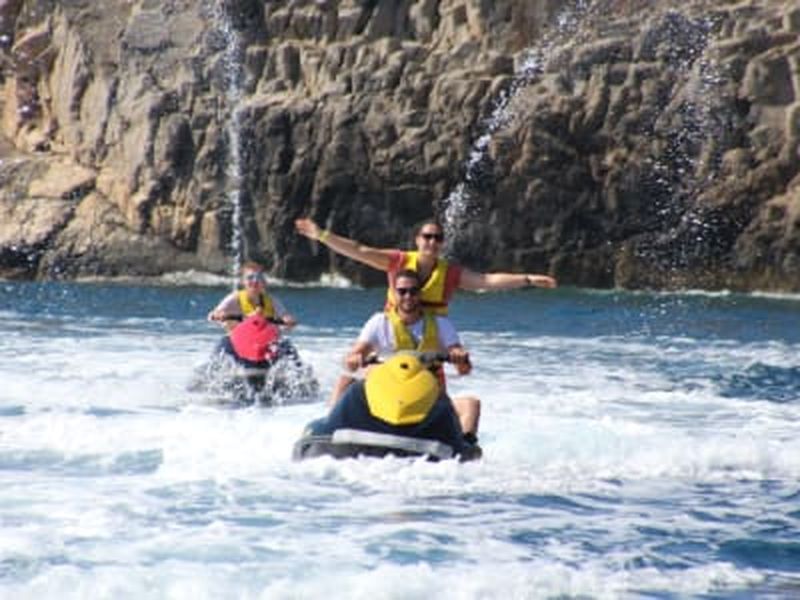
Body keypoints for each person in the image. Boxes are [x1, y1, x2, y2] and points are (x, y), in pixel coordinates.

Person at [295, 217, 557, 315]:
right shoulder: (397, 261)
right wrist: (321, 235)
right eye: (427, 237)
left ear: (442, 243)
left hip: (429, 340)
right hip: (394, 332)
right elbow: (359, 250)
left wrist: (528, 279)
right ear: (418, 240)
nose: (432, 241)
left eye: (438, 238)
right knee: (349, 375)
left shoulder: (450, 273)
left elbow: (486, 281)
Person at [333, 269, 481, 439]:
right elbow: (354, 355)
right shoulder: (380, 322)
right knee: (346, 381)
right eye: (402, 291)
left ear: (420, 293)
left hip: (427, 402)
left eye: (413, 291)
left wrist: (460, 358)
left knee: (471, 404)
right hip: (384, 397)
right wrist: (354, 359)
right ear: (393, 293)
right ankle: (330, 429)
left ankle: (465, 446)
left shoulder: (441, 325)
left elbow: (463, 368)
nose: (408, 296)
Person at [207, 261, 297, 332]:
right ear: (243, 281)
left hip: (265, 341)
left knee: (286, 347)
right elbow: (214, 314)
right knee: (223, 345)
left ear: (264, 282)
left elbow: (284, 315)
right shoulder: (234, 298)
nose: (255, 281)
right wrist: (218, 315)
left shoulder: (272, 301)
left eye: (259, 278)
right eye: (250, 278)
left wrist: (288, 320)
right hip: (239, 340)